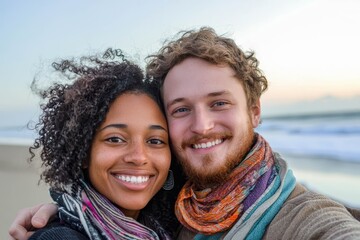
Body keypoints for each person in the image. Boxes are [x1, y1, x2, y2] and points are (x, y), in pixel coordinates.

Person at [9, 28, 360, 239]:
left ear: (254, 111)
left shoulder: (302, 215)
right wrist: (66, 214)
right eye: (180, 109)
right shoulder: (171, 207)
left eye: (219, 103)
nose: (202, 125)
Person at [12, 48, 185, 240]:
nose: (138, 157)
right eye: (115, 139)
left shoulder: (164, 227)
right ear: (84, 153)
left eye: (155, 141)